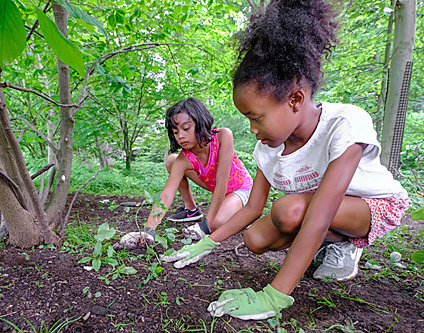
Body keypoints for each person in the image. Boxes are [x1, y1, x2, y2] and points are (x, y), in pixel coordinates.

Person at [161, 0, 409, 321]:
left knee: (289, 209)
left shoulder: (345, 124)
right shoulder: (268, 148)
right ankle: (325, 247)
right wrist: (206, 242)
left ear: (295, 99)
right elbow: (252, 208)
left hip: (373, 207)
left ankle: (345, 246)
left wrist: (273, 295)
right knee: (255, 237)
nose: (252, 129)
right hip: (319, 210)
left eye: (256, 117)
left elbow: (321, 213)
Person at [114, 97, 253, 250]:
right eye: (175, 131)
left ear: (200, 123)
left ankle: (243, 214)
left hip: (240, 188)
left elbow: (222, 182)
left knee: (216, 222)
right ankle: (192, 210)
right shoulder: (184, 159)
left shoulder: (223, 136)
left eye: (186, 128)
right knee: (172, 161)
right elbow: (166, 194)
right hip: (214, 187)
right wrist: (148, 230)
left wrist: (207, 224)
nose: (180, 136)